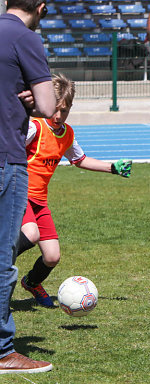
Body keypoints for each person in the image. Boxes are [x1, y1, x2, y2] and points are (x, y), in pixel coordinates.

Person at [16, 74, 132, 308]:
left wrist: (112, 168)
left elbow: (80, 159)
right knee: (31, 234)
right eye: (56, 109)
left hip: (40, 201)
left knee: (52, 257)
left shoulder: (66, 134)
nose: (59, 116)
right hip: (19, 194)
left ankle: (32, 282)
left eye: (65, 111)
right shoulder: (35, 127)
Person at [0, 0, 57, 375]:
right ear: (39, 6)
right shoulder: (26, 37)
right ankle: (4, 351)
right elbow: (50, 106)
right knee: (3, 259)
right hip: (5, 156)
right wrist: (33, 103)